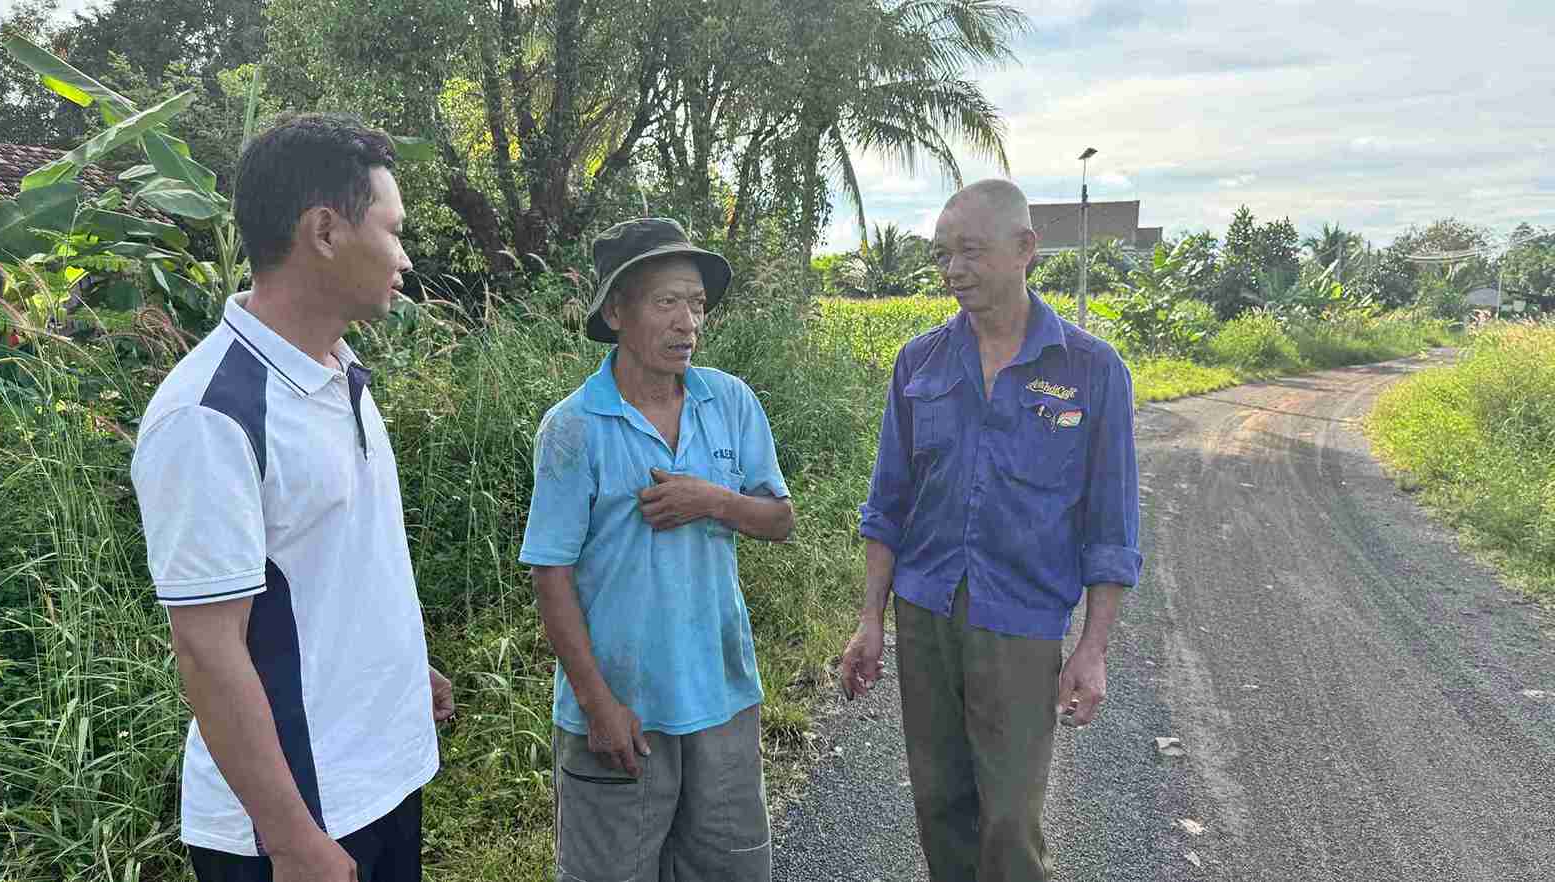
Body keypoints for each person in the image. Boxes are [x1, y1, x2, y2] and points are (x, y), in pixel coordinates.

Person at [130, 114, 454, 882]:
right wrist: (292, 842)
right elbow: (207, 649)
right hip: (295, 824)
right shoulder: (211, 415)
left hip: (379, 779)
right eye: (393, 230)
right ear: (325, 231)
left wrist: (403, 667)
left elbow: (333, 564)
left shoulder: (338, 371)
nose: (405, 257)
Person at [838, 179, 1142, 881]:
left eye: (971, 251)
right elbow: (888, 503)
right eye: (944, 255)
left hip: (1021, 620)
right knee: (939, 802)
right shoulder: (919, 361)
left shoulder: (1091, 370)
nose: (954, 270)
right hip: (925, 610)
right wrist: (870, 619)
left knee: (1009, 816)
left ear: (1025, 248)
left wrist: (1093, 648)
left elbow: (1111, 526)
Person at [518, 217, 795, 882]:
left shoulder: (729, 402)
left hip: (723, 696)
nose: (687, 323)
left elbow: (780, 519)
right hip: (623, 709)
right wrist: (598, 705)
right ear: (616, 312)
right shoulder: (573, 428)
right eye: (667, 301)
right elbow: (550, 576)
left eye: (696, 303)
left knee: (729, 871)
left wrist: (713, 501)